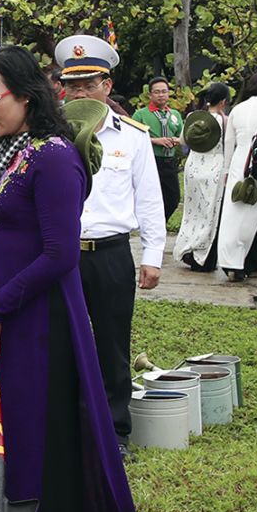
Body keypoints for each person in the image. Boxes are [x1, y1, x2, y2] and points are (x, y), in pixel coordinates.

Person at [0, 46, 180, 512]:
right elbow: (9, 229)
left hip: (39, 319)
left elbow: (58, 255)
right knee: (13, 431)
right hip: (8, 314)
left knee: (40, 435)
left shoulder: (54, 157)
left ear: (26, 94)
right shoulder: (14, 151)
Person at [55, 34, 165, 454]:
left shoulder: (133, 137)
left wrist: (152, 256)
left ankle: (115, 431)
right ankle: (67, 426)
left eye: (90, 84)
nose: (81, 93)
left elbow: (149, 199)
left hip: (111, 254)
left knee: (112, 343)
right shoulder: (52, 133)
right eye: (73, 86)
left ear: (107, 86)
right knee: (60, 340)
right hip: (60, 254)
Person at [217, 72, 257, 281]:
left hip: (238, 162)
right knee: (255, 215)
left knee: (232, 212)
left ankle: (229, 261)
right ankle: (247, 261)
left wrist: (226, 170)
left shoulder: (237, 109)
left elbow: (229, 142)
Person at [173, 83, 233, 272]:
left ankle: (186, 248)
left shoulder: (193, 116)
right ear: (223, 101)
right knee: (210, 214)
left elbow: (183, 141)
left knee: (191, 212)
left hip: (193, 166)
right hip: (215, 168)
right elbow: (229, 147)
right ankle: (203, 256)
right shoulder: (225, 121)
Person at [134, 76, 184, 222]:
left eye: (164, 91)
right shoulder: (141, 114)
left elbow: (181, 135)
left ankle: (160, 224)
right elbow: (133, 138)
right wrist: (156, 141)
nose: (161, 95)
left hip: (169, 161)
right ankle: (150, 225)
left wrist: (177, 140)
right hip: (150, 161)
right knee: (151, 198)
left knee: (173, 198)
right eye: (156, 92)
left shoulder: (174, 114)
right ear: (150, 94)